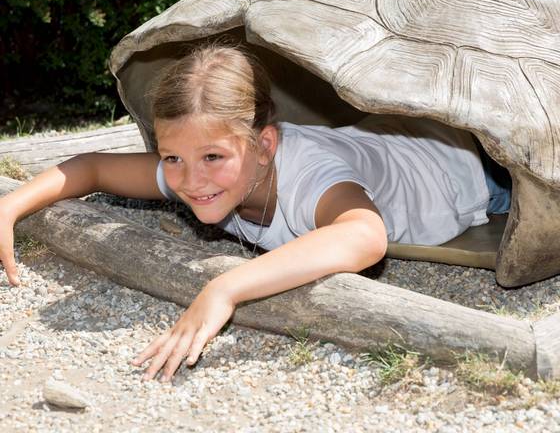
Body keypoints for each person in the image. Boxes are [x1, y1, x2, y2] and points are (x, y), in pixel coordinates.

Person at [0, 43, 510, 382]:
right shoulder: (203, 177)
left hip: (471, 164)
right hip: (382, 137)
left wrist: (226, 286)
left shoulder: (308, 176)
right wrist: (11, 206)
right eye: (172, 157)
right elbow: (90, 167)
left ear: (264, 146)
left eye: (212, 158)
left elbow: (365, 235)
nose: (190, 179)